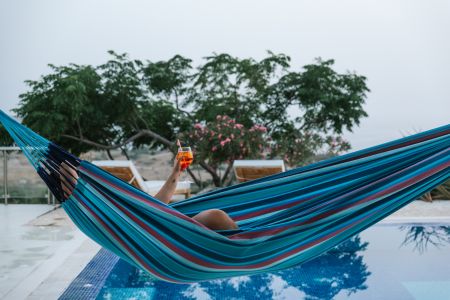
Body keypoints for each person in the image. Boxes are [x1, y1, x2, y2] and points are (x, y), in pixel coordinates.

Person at [59, 158, 238, 231]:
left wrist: (177, 171)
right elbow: (67, 170)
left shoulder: (122, 210)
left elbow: (157, 205)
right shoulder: (102, 213)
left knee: (218, 217)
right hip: (169, 232)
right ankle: (247, 244)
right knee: (218, 218)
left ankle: (246, 243)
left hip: (165, 225)